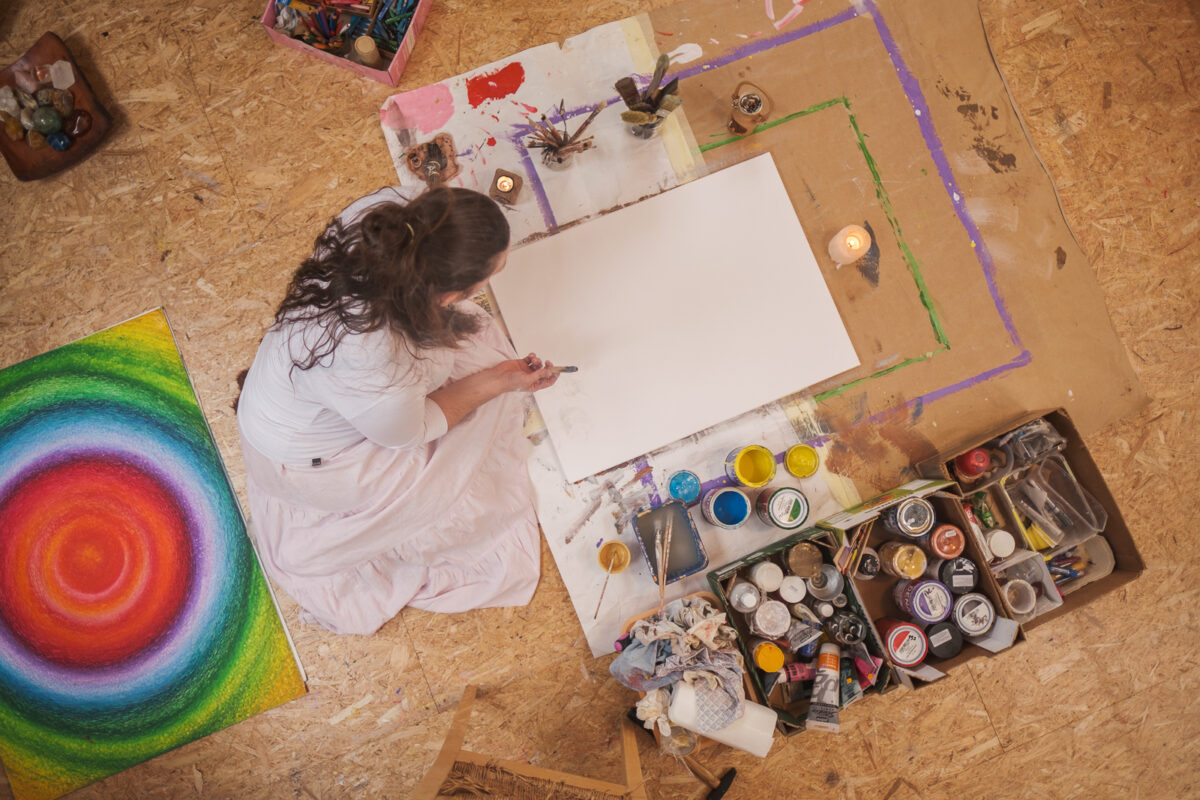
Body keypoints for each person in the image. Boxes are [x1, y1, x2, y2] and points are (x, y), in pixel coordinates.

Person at [236, 185, 558, 635]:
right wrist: (499, 381)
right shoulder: (376, 359)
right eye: (490, 275)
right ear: (446, 295)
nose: (490, 284)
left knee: (471, 353)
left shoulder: (383, 218)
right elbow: (416, 429)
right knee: (454, 461)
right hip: (310, 455)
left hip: (295, 387)